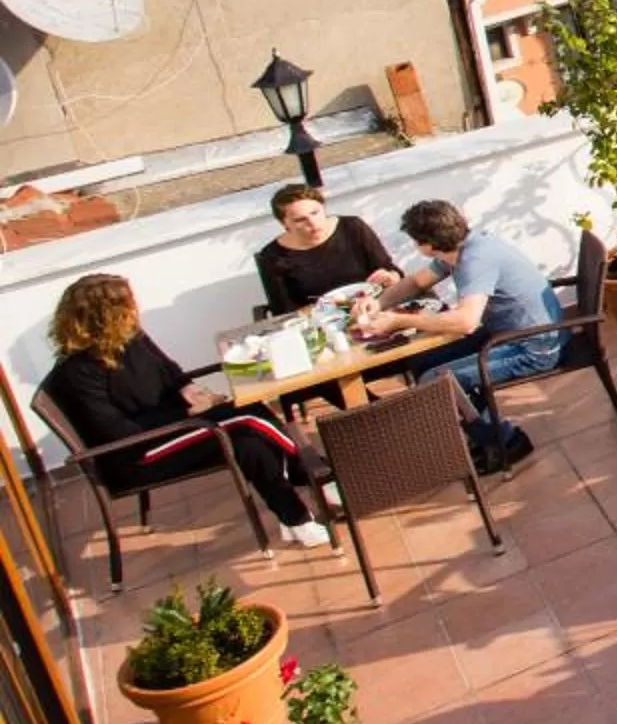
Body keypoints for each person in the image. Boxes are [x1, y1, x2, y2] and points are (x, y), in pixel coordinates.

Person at [41, 275, 331, 548]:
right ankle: (315, 476)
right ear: (106, 316)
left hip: (174, 428)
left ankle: (296, 519)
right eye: (128, 304)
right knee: (248, 417)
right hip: (139, 452)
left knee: (247, 439)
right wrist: (191, 416)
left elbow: (169, 371)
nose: (136, 308)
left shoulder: (132, 336)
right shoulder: (78, 373)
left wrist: (189, 389)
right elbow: (115, 431)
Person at [356, 200, 556, 474]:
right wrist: (378, 303)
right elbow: (416, 282)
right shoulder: (461, 248)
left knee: (437, 380)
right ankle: (486, 431)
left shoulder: (475, 260)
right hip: (506, 332)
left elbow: (465, 321)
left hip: (533, 346)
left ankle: (509, 443)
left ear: (427, 245)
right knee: (422, 362)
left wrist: (398, 321)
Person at [252, 184, 400, 315]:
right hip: (320, 321)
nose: (312, 223)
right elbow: (284, 311)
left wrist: (390, 277)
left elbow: (391, 271)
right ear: (285, 223)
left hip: (373, 307)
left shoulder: (352, 228)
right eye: (300, 220)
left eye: (315, 213)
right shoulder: (273, 256)